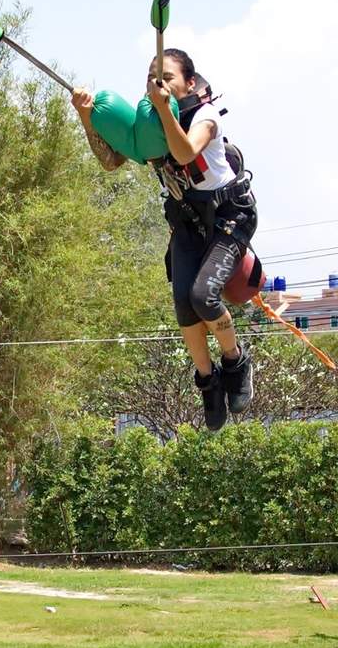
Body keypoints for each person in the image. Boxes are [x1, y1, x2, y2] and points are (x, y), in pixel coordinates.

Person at [70, 49, 255, 431]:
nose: (159, 83)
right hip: (186, 223)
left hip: (227, 218)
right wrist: (87, 118)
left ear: (189, 83)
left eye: (168, 77)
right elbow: (111, 161)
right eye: (152, 76)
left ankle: (235, 360)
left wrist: (165, 108)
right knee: (184, 305)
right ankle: (208, 382)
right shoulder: (149, 127)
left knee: (203, 296)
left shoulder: (204, 117)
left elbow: (184, 150)